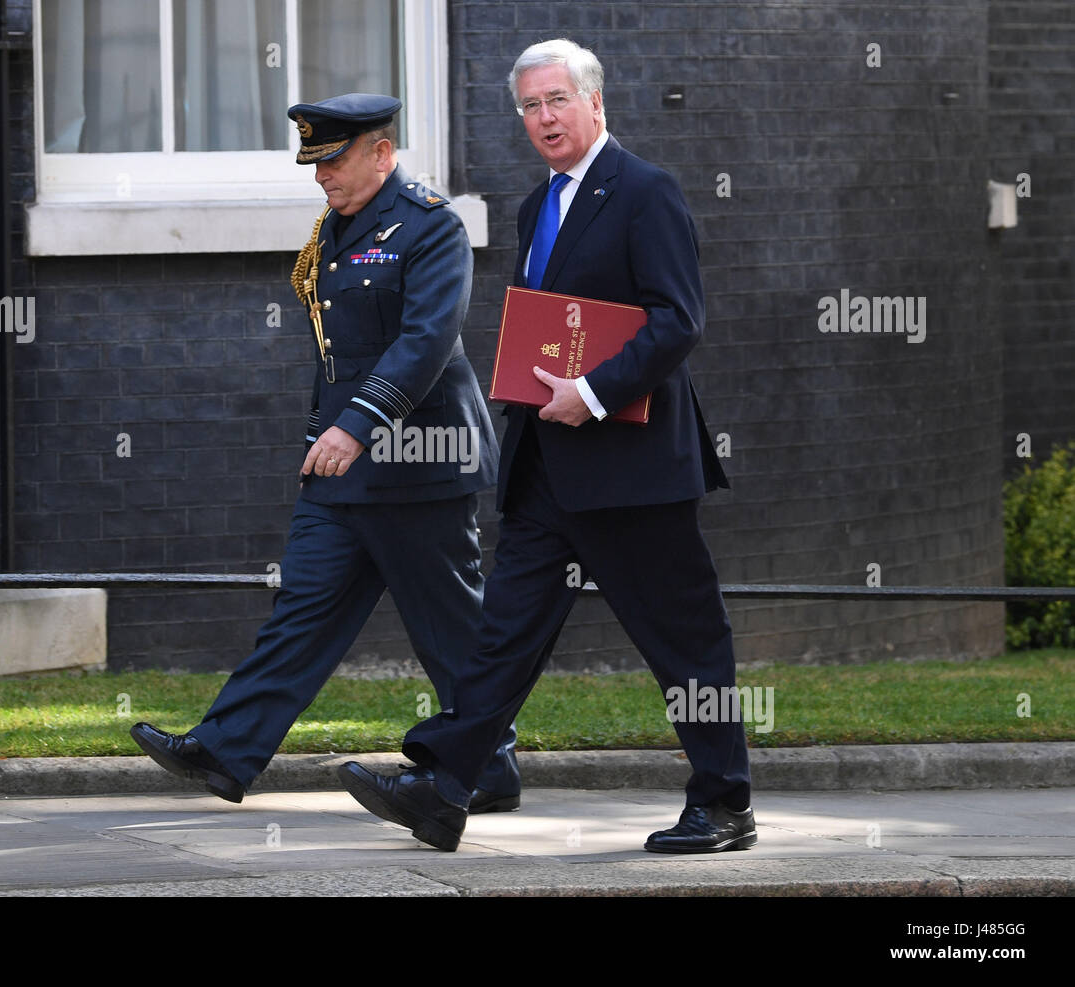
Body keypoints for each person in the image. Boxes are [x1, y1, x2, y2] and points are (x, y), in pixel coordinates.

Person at [338, 42, 755, 854]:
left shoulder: (645, 193)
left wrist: (591, 392)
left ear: (596, 103)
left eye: (557, 100)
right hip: (546, 470)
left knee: (684, 640)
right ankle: (445, 784)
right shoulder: (536, 208)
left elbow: (678, 321)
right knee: (505, 633)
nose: (544, 119)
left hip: (633, 472)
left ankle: (725, 802)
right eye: (529, 107)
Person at [130, 93, 520, 810]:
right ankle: (227, 744)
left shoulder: (432, 226)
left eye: (335, 160)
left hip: (418, 461)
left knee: (450, 630)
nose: (321, 176)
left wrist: (358, 423)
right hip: (343, 460)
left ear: (382, 151)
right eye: (315, 162)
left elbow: (424, 341)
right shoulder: (336, 229)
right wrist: (326, 429)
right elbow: (335, 348)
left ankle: (487, 765)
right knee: (302, 607)